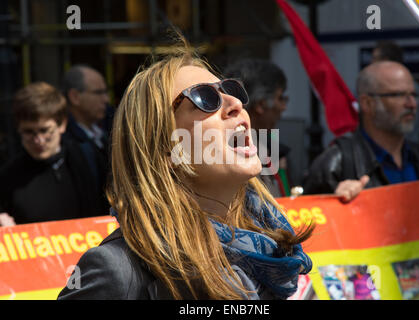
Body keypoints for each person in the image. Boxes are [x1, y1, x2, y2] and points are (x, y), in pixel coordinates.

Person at [58, 38, 314, 300]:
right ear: (165, 147)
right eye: (205, 98)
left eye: (232, 90)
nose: (236, 104)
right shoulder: (117, 271)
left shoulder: (277, 254)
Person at [302, 61, 419, 201]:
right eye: (398, 95)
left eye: (414, 94)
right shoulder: (336, 163)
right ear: (367, 103)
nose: (412, 104)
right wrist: (335, 203)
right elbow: (306, 219)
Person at [0, 82, 107, 226]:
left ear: (62, 124)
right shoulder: (9, 176)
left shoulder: (89, 159)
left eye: (45, 130)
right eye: (29, 132)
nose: (38, 140)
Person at [224, 58, 291, 197]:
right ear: (261, 105)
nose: (283, 107)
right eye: (280, 98)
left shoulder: (274, 152)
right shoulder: (226, 158)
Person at [61, 65, 111, 194]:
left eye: (106, 92)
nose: (106, 99)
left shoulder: (108, 129)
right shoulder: (63, 142)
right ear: (74, 97)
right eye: (98, 93)